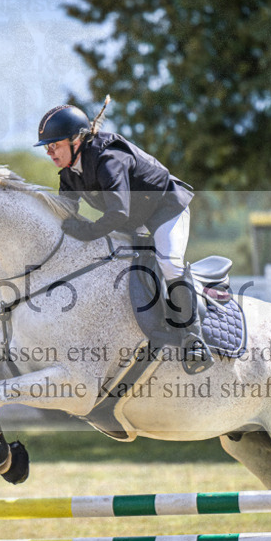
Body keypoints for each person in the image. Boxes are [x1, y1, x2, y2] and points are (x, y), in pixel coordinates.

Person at [34, 100, 212, 373]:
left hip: (166, 209)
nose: (50, 153)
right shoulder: (69, 175)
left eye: (54, 145)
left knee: (170, 263)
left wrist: (88, 232)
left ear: (76, 139)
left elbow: (117, 211)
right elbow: (63, 216)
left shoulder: (109, 160)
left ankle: (193, 338)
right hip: (133, 220)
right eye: (47, 148)